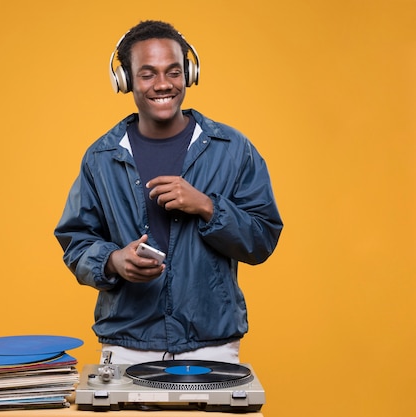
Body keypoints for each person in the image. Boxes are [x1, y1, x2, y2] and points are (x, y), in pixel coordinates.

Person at [54, 20, 283, 365]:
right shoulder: (101, 157)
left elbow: (263, 239)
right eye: (147, 74)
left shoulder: (233, 149)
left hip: (212, 344)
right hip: (126, 345)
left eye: (173, 72)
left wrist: (208, 207)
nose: (163, 84)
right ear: (126, 80)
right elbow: (76, 239)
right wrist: (113, 261)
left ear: (189, 74)